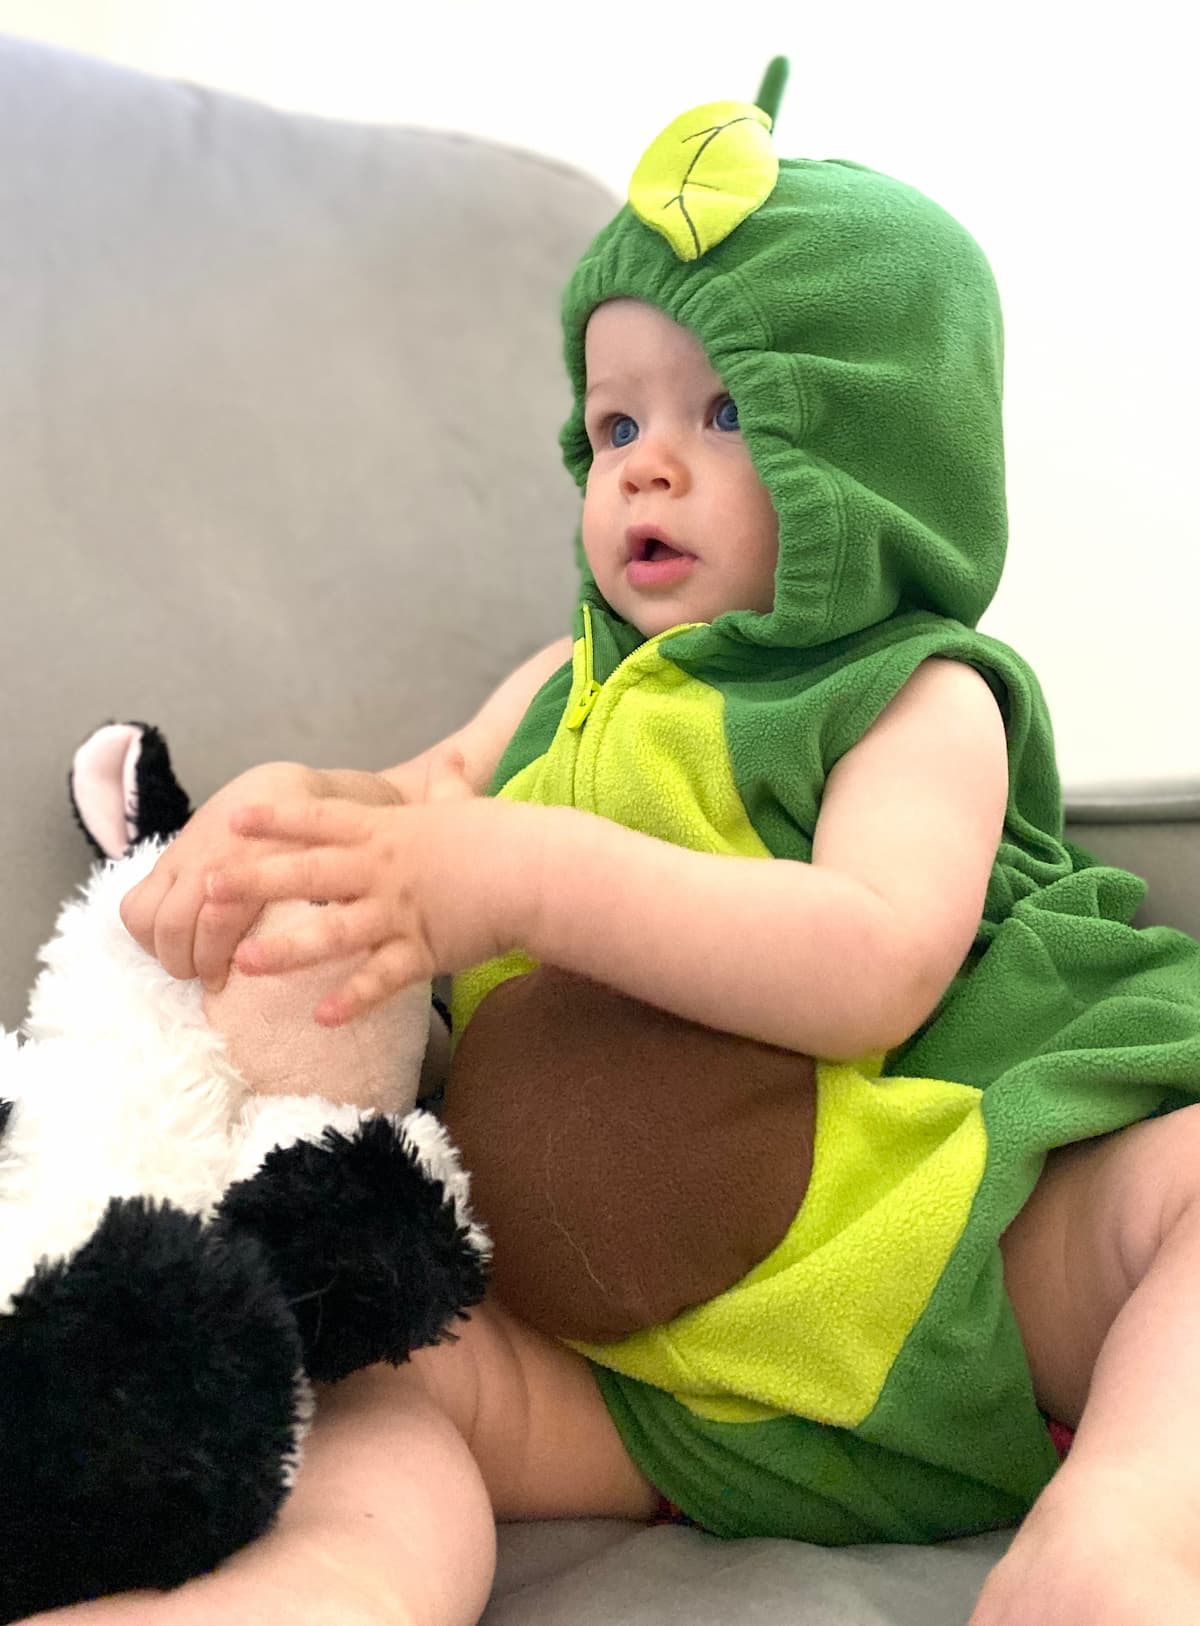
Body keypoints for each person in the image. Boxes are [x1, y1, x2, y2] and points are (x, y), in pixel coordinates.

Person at [30, 66, 1200, 1626]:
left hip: (953, 1252)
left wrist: (522, 875)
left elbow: (874, 957)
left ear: (873, 457)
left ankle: (1130, 1523)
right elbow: (406, 811)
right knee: (380, 1374)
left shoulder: (910, 695)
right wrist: (275, 819)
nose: (646, 462)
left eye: (728, 413)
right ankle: (331, 1590)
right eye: (616, 421)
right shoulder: (556, 688)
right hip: (636, 1391)